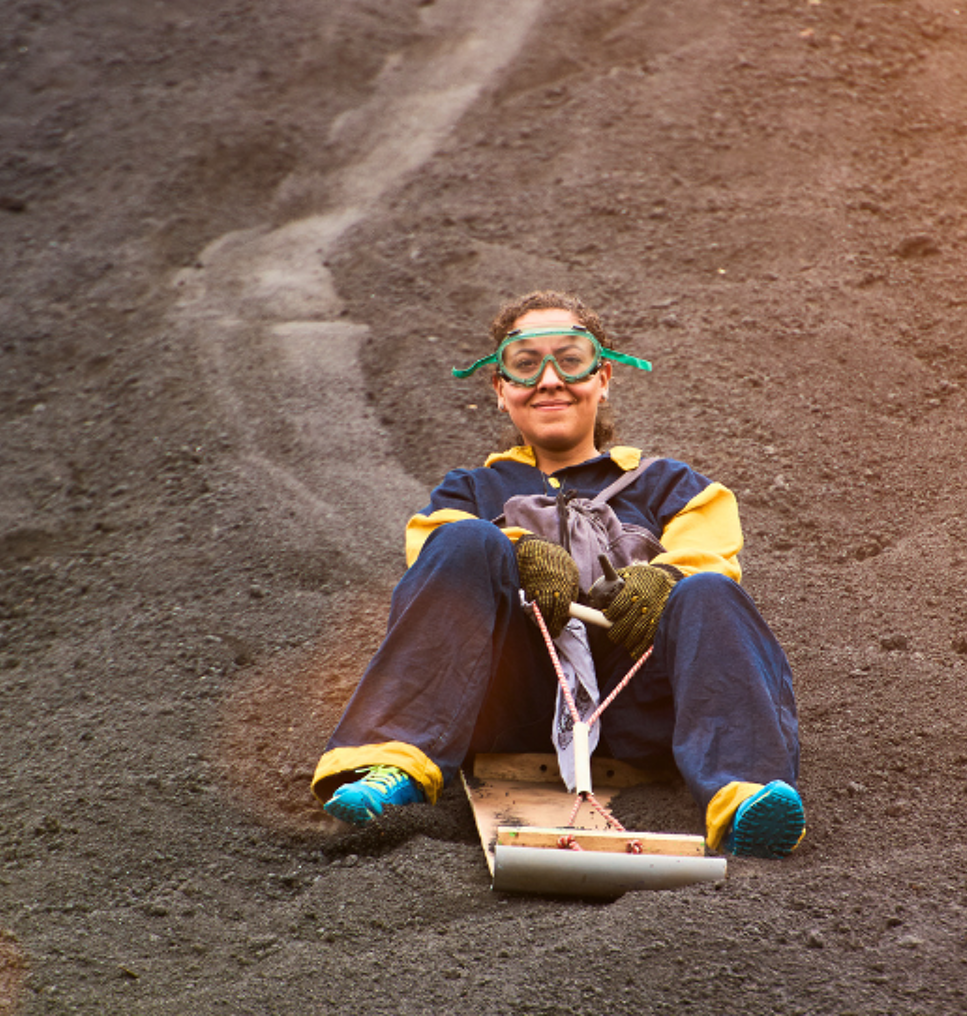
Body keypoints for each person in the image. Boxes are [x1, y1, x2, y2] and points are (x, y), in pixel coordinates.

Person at [310, 291, 805, 859]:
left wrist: (662, 578)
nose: (549, 380)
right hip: (510, 707)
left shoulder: (672, 486)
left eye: (569, 360)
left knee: (709, 592)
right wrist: (517, 550)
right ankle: (388, 767)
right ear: (500, 390)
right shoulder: (468, 491)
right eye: (525, 365)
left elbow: (711, 551)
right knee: (465, 540)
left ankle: (744, 794)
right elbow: (432, 551)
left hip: (639, 711)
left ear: (603, 377)